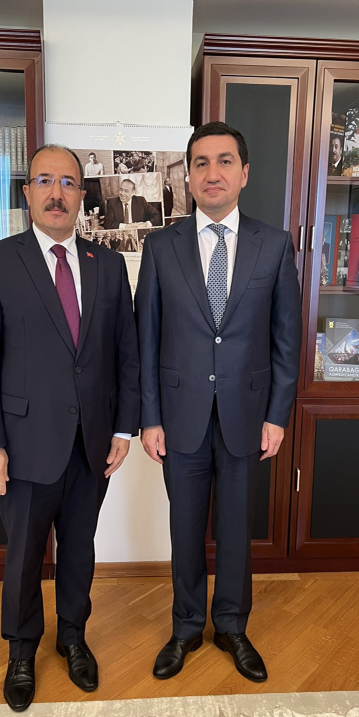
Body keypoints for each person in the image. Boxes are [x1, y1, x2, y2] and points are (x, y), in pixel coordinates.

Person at [0, 144, 141, 712]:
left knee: (79, 549)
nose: (56, 192)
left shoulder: (106, 265)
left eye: (67, 182)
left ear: (81, 195)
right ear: (28, 193)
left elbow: (126, 354)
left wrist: (124, 428)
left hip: (92, 444)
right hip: (21, 446)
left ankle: (73, 637)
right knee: (23, 555)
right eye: (45, 180)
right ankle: (21, 651)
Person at [135, 122, 301, 684]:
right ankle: (185, 627)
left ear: (244, 173)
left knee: (235, 530)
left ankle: (231, 625)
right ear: (188, 176)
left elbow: (285, 339)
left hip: (246, 418)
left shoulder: (273, 245)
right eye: (201, 163)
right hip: (178, 418)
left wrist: (277, 414)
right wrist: (149, 417)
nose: (213, 173)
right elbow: (146, 339)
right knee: (185, 529)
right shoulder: (160, 247)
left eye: (225, 161)